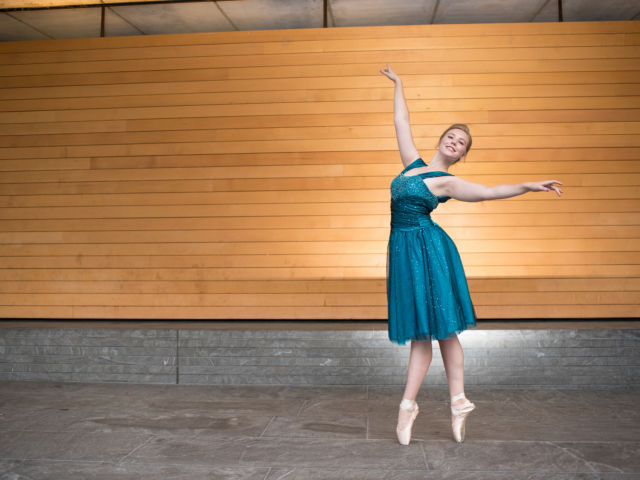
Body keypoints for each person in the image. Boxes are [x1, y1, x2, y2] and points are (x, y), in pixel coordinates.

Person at [380, 64, 563, 446]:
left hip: (429, 252)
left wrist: (528, 185)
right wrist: (399, 83)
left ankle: (434, 402)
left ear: (461, 156)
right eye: (451, 136)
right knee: (421, 334)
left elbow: (491, 191)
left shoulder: (449, 182)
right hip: (404, 252)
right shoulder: (412, 165)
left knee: (440, 329)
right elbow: (401, 120)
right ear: (440, 140)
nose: (454, 142)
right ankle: (436, 403)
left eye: (461, 143)